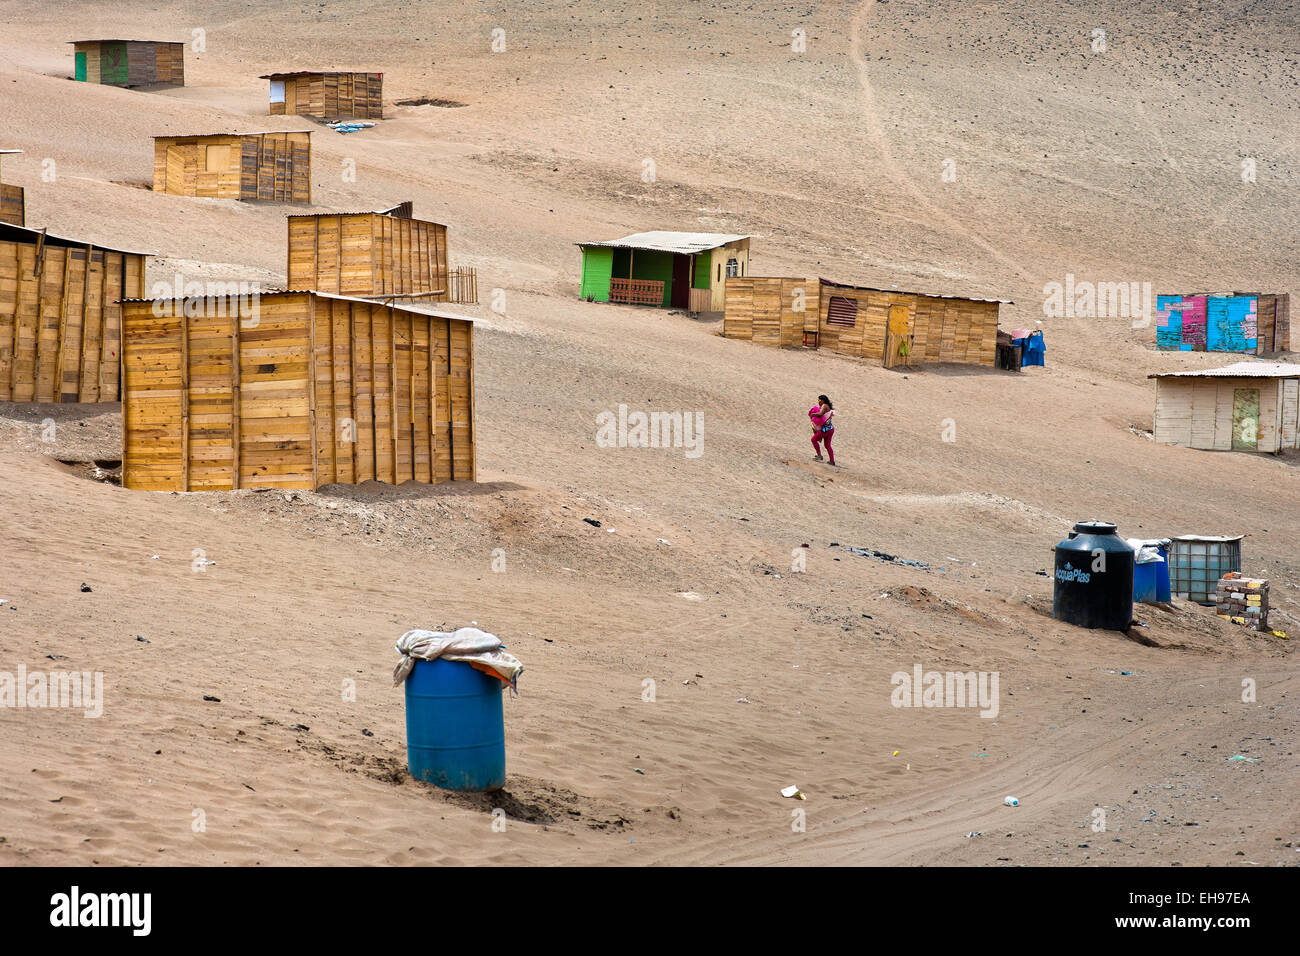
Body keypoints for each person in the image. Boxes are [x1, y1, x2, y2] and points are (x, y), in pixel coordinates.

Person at [809, 394, 835, 465]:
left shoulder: (824, 406)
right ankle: (832, 461)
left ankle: (819, 455)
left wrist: (812, 414)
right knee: (827, 445)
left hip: (825, 430)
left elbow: (820, 414)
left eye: (819, 400)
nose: (818, 401)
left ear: (823, 400)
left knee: (813, 440)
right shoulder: (827, 406)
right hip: (830, 429)